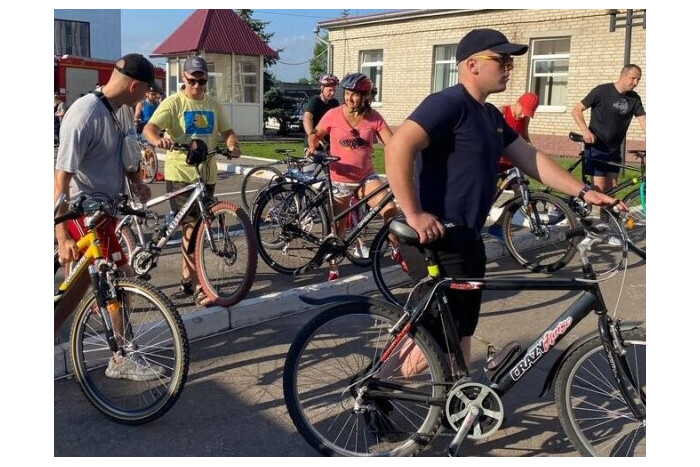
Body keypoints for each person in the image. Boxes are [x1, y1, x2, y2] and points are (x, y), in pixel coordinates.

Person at [384, 28, 620, 376]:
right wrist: (414, 213)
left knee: (461, 331)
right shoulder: (448, 103)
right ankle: (374, 397)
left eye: (510, 61)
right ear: (472, 64)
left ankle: (459, 404)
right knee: (437, 339)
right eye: (502, 60)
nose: (509, 67)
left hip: (466, 237)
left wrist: (584, 191)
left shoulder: (490, 116)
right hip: (437, 238)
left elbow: (530, 158)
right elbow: (397, 145)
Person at [54, 53, 161, 381]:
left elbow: (128, 155)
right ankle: (120, 355)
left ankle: (54, 328)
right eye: (145, 90)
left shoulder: (124, 112)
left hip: (108, 213)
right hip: (82, 213)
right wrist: (62, 237)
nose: (147, 95)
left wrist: (138, 185)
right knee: (115, 277)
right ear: (133, 85)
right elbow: (61, 178)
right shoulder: (83, 114)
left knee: (92, 279)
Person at [143, 55, 241, 307]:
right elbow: (149, 128)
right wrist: (158, 140)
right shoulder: (174, 103)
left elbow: (228, 132)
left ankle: (187, 276)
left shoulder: (213, 104)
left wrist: (232, 144)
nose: (197, 86)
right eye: (192, 81)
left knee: (195, 228)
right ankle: (199, 286)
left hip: (206, 176)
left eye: (202, 81)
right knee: (193, 230)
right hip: (181, 175)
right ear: (184, 79)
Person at [306, 72, 397, 281]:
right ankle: (333, 266)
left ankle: (396, 248)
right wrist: (312, 146)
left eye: (355, 94)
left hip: (366, 176)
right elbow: (315, 134)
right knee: (339, 226)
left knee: (389, 209)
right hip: (340, 178)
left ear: (366, 96)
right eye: (347, 93)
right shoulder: (334, 114)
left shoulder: (373, 118)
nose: (350, 98)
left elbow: (392, 144)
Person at [572, 64, 646, 194]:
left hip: (614, 148)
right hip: (597, 147)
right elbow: (576, 110)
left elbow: (644, 121)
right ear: (623, 75)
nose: (636, 83)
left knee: (612, 188)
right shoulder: (602, 91)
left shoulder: (634, 99)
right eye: (633, 78)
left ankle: (605, 214)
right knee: (599, 190)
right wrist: (585, 131)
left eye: (638, 79)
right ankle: (576, 199)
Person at [487, 91, 540, 241]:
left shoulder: (525, 119)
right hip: (495, 161)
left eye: (528, 113)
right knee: (488, 195)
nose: (524, 116)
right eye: (523, 111)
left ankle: (498, 227)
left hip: (512, 164)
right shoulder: (502, 112)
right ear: (518, 103)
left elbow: (524, 136)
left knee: (520, 195)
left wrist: (531, 147)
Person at [303, 74, 339, 148]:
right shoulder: (315, 101)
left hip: (329, 145)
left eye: (334, 90)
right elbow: (307, 119)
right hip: (314, 145)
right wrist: (312, 137)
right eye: (330, 90)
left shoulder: (334, 103)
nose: (333, 93)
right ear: (322, 88)